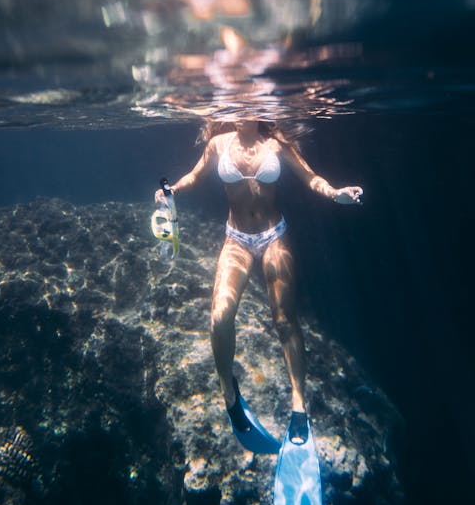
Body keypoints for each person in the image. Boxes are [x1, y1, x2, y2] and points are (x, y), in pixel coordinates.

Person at [155, 118, 362, 445]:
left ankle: (298, 403)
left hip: (273, 237)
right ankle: (230, 395)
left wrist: (336, 194)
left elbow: (310, 178)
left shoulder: (277, 145)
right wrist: (172, 191)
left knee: (284, 321)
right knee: (220, 317)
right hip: (235, 239)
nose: (239, 109)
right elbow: (195, 176)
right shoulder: (218, 144)